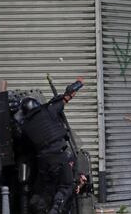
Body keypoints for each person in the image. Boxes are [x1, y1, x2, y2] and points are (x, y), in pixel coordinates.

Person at [21, 78, 84, 214]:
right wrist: (78, 84)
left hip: (43, 160)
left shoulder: (25, 126)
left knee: (47, 190)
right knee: (66, 186)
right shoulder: (48, 111)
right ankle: (55, 211)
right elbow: (67, 96)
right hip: (59, 156)